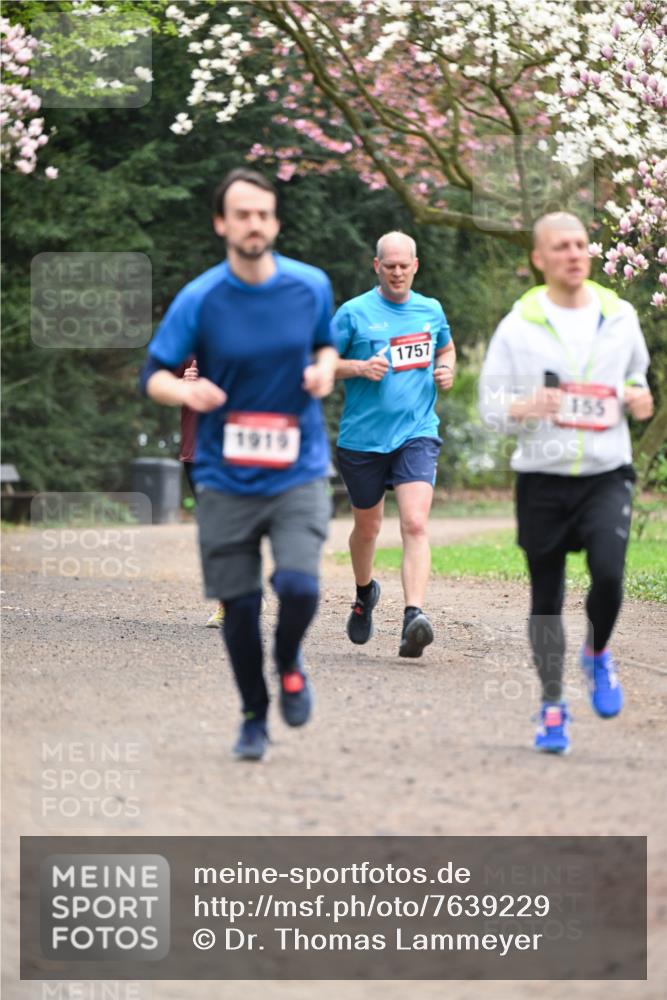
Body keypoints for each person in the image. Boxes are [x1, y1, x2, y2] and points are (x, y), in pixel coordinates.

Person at [141, 167, 337, 761]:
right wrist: (186, 393)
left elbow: (326, 343)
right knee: (242, 605)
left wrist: (325, 369)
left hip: (296, 466)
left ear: (275, 222)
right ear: (222, 223)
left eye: (264, 214)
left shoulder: (310, 286)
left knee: (300, 586)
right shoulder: (201, 298)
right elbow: (154, 375)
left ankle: (288, 658)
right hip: (225, 476)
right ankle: (254, 713)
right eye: (242, 214)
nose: (254, 224)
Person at [479, 211, 653, 755]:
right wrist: (524, 407)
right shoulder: (518, 324)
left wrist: (639, 397)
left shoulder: (619, 315)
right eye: (561, 247)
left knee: (609, 573)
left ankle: (597, 653)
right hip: (542, 479)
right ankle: (552, 705)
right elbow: (490, 408)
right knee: (546, 599)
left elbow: (637, 378)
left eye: (581, 244)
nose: (575, 253)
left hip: (606, 470)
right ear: (539, 258)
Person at [332, 231, 456, 657]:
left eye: (404, 265)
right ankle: (365, 594)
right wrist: (357, 366)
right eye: (390, 266)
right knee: (367, 528)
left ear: (416, 266)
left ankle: (413, 617)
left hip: (416, 432)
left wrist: (446, 370)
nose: (398, 272)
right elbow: (319, 364)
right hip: (363, 440)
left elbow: (447, 349)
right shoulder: (353, 313)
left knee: (415, 523)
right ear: (377, 267)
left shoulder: (431, 310)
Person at [178, 357, 225, 629]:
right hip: (197, 450)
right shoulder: (188, 337)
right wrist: (181, 385)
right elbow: (156, 382)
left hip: (238, 446)